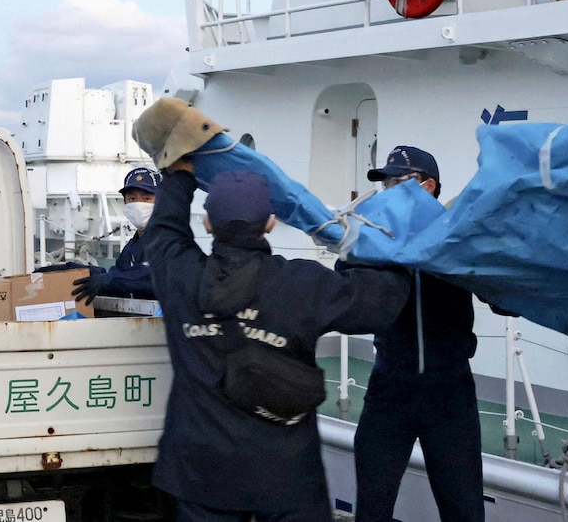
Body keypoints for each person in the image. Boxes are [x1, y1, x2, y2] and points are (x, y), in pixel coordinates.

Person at [144, 163, 412, 522]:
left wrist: (181, 174)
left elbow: (163, 229)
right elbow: (381, 302)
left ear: (207, 224)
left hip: (201, 473)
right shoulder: (302, 284)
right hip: (288, 476)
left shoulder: (179, 274)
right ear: (270, 222)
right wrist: (383, 245)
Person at [347, 145, 485, 522]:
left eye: (399, 182)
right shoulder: (374, 242)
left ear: (429, 186)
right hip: (389, 390)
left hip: (449, 396)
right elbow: (348, 296)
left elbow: (506, 294)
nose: (389, 190)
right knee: (371, 511)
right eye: (386, 182)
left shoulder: (460, 238)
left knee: (464, 512)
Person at [72, 167, 161, 304]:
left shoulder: (170, 241)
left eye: (147, 198)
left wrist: (106, 280)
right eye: (132, 198)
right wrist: (80, 273)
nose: (138, 205)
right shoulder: (132, 246)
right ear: (125, 202)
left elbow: (148, 277)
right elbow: (121, 277)